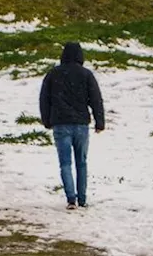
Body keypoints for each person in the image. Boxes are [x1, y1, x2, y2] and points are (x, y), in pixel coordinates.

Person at [39, 42, 106, 209]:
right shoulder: (86, 75)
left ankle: (71, 198)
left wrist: (47, 120)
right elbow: (96, 99)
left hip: (60, 124)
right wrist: (100, 122)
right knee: (81, 162)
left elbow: (44, 99)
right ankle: (82, 198)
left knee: (65, 163)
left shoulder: (53, 74)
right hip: (81, 124)